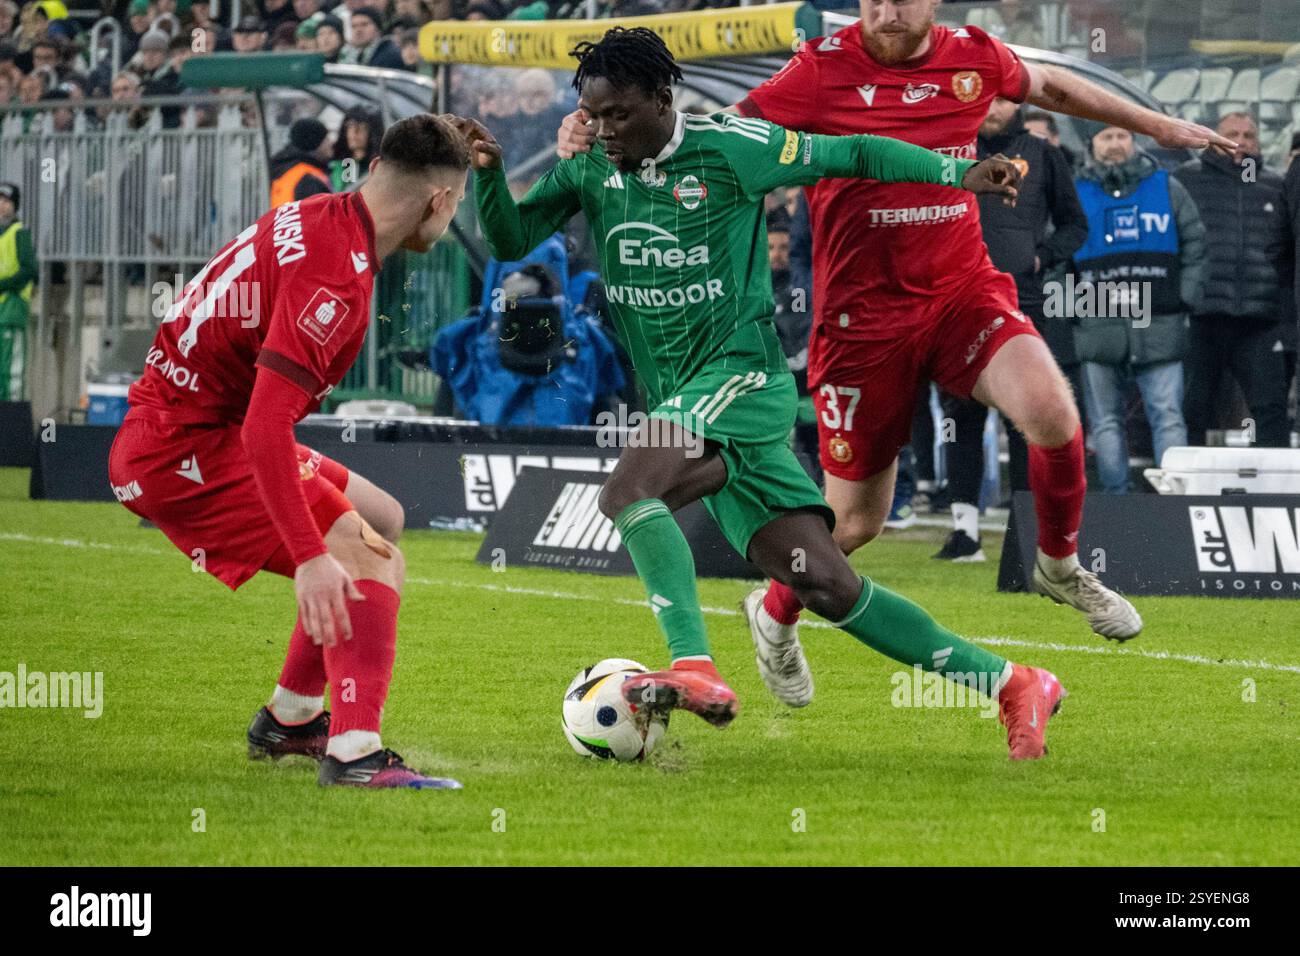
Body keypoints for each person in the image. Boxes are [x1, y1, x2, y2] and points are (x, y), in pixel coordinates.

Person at [556, 0, 1236, 658]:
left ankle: (1057, 565)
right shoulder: (818, 69)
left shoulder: (973, 56)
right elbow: (711, 136)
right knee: (854, 523)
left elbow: (1052, 84)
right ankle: (776, 608)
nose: (885, 14)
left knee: (1052, 414)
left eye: (901, 1)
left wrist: (1158, 124)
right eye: (873, 1)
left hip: (961, 293)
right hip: (862, 320)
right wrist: (595, 130)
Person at [460, 26, 1067, 761]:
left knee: (627, 492)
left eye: (619, 114)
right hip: (685, 400)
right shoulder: (591, 167)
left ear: (662, 99)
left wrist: (956, 172)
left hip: (740, 379)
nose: (604, 129)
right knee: (828, 586)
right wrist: (490, 173)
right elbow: (511, 239)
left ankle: (693, 663)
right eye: (593, 114)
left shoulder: (733, 148)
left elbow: (854, 152)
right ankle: (1014, 682)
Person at [108, 114, 470, 790]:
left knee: (382, 518)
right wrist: (310, 557)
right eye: (457, 206)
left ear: (375, 170)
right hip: (183, 452)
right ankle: (355, 753)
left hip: (184, 426)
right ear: (440, 201)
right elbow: (264, 429)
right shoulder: (335, 275)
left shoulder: (324, 214)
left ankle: (291, 720)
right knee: (373, 559)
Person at [936, 96, 1087, 559]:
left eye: (1001, 99)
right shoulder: (951, 150)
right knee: (961, 415)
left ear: (1017, 103)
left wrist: (1040, 258)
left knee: (1025, 414)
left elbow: (1075, 224)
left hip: (1023, 298)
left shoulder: (1044, 154)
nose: (991, 107)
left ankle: (1023, 529)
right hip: (958, 299)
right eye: (984, 98)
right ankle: (965, 533)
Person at [1070, 123, 1203, 493]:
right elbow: (1057, 258)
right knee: (1105, 422)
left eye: (1122, 136)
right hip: (1098, 324)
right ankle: (1117, 501)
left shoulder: (1166, 186)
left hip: (1160, 320)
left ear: (1133, 141)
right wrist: (1074, 311)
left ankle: (1173, 501)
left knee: (1168, 416)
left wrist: (1183, 298)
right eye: (1106, 137)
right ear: (1092, 144)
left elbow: (1196, 244)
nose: (1116, 144)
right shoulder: (1075, 192)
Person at [1174, 111, 1293, 450]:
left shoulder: (1277, 185)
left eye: (1248, 135)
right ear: (1214, 138)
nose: (1240, 141)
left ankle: (1272, 481)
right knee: (1193, 407)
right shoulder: (1185, 179)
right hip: (1202, 314)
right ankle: (1188, 481)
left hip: (1261, 319)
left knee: (1270, 408)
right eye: (1231, 134)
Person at [0, 182, 35, 401]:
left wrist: (4, 284)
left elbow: (29, 269)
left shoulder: (19, 232)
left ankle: (12, 414)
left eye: (6, 201)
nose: (2, 205)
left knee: (11, 369)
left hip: (12, 307)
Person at [269, 116, 333, 208]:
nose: (331, 143)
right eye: (326, 139)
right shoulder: (310, 179)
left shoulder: (285, 170)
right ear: (314, 143)